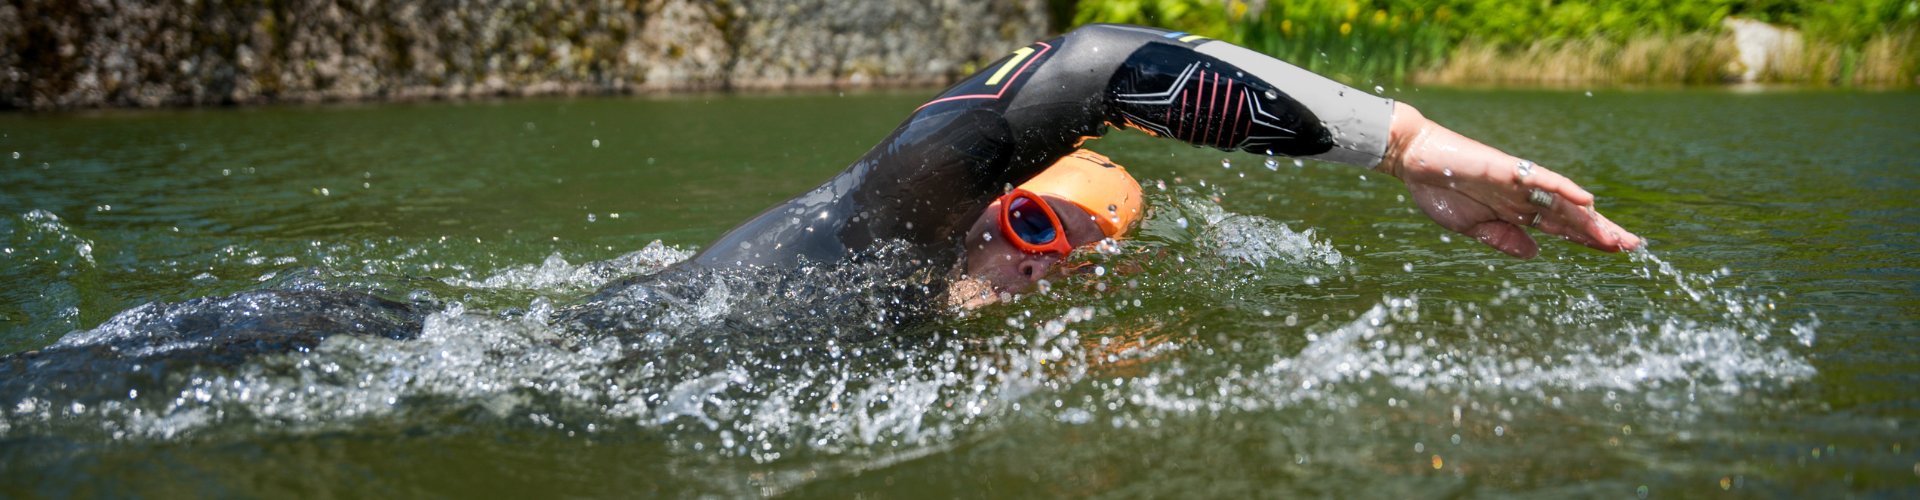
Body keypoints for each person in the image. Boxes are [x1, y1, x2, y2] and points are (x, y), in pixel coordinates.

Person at [5, 24, 1640, 397]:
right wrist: (1411, 141)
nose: (1042, 261)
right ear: (990, 205)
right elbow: (1092, 66)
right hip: (413, 348)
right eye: (1039, 222)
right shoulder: (897, 213)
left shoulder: (950, 328)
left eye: (1076, 249)